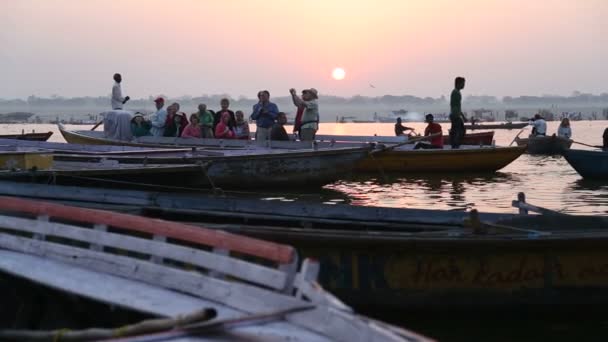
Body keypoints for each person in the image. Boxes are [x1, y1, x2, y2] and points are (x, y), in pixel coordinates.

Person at [449, 77, 467, 148]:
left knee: (458, 131)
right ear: (458, 83)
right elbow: (454, 106)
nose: (464, 85)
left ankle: (455, 145)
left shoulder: (457, 92)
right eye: (463, 83)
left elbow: (458, 106)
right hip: (455, 115)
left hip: (456, 115)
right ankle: (455, 146)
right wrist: (460, 116)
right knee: (458, 131)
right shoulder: (455, 92)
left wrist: (463, 116)